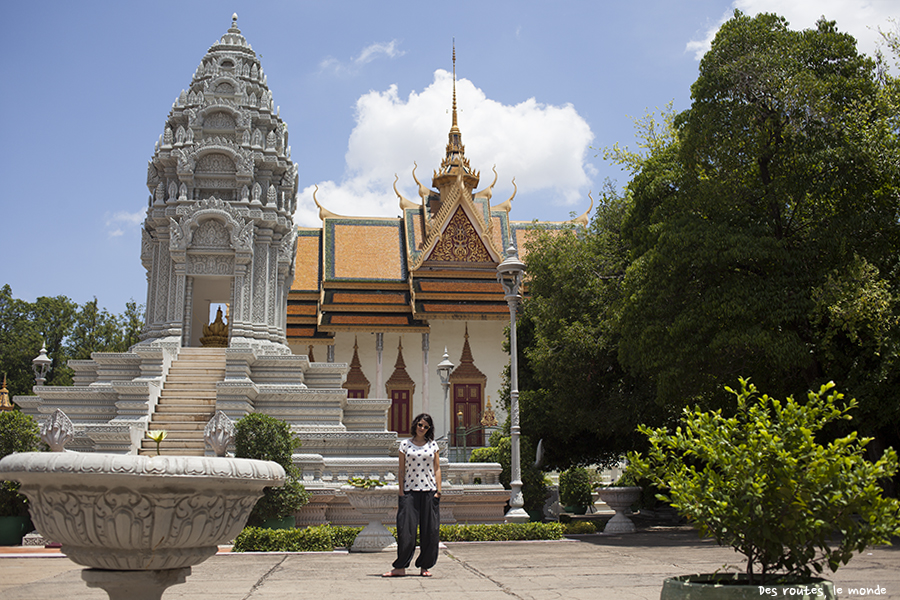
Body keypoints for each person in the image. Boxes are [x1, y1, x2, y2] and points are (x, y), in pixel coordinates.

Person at [383, 413, 441, 577]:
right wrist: (401, 490)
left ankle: (425, 566)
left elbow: (437, 469)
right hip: (409, 491)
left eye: (426, 426)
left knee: (430, 531)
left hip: (429, 491)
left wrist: (439, 490)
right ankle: (400, 566)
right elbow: (401, 469)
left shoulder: (433, 445)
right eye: (420, 425)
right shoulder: (405, 445)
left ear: (429, 429)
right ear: (415, 425)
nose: (422, 428)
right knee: (406, 531)